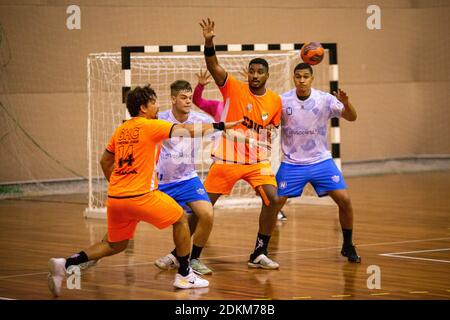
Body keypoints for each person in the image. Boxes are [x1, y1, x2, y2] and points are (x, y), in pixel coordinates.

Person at [47, 85, 241, 297]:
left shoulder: (121, 129)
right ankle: (185, 274)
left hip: (116, 198)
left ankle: (65, 264)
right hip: (141, 195)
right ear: (143, 107)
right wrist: (221, 125)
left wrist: (117, 184)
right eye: (154, 102)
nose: (158, 106)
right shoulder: (151, 126)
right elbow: (188, 130)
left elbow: (105, 161)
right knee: (181, 220)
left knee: (115, 244)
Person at [198, 18, 282, 269]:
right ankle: (180, 253)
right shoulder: (234, 88)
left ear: (267, 74)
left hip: (257, 162)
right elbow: (213, 66)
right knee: (202, 206)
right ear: (248, 73)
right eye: (252, 71)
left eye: (260, 72)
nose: (255, 76)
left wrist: (265, 145)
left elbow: (271, 130)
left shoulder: (275, 101)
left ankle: (259, 252)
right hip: (228, 159)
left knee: (273, 200)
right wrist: (209, 41)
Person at [275, 63, 361, 262]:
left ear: (312, 78)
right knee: (273, 204)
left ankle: (348, 245)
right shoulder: (282, 100)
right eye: (298, 76)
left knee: (345, 201)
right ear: (293, 78)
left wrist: (346, 103)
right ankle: (262, 249)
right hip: (292, 163)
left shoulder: (325, 99)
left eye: (306, 76)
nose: (302, 80)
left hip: (321, 161)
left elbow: (352, 117)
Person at [193, 69, 288, 222]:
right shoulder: (217, 106)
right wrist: (200, 86)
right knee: (208, 198)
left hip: (254, 155)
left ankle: (276, 210)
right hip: (227, 154)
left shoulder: (254, 105)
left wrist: (269, 132)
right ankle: (200, 216)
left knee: (267, 190)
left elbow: (267, 123)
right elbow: (198, 101)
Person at [154, 80, 215, 275]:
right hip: (160, 182)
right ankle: (87, 258)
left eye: (190, 98)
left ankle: (193, 259)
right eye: (183, 97)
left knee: (207, 214)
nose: (188, 101)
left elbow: (218, 135)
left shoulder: (199, 119)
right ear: (173, 99)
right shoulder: (159, 119)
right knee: (128, 224)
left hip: (187, 179)